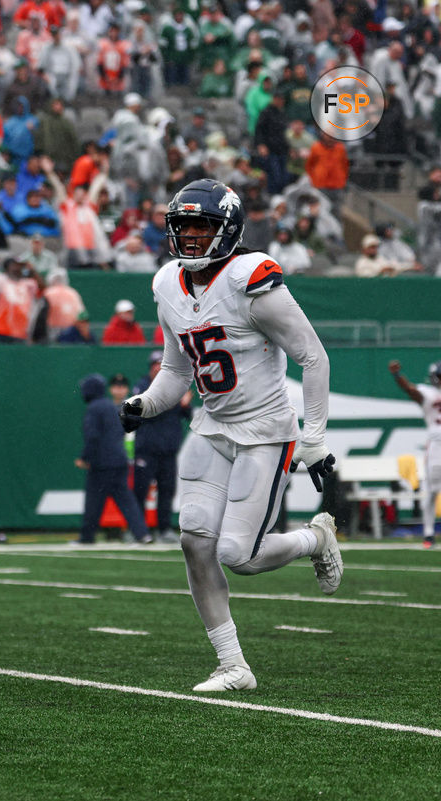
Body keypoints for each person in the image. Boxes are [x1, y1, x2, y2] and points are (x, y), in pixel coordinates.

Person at [119, 178, 341, 692]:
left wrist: (315, 439)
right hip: (212, 425)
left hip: (265, 430)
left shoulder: (252, 278)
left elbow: (313, 357)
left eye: (202, 225)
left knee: (238, 555)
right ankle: (233, 664)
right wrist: (145, 404)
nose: (191, 236)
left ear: (228, 229)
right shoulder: (167, 284)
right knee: (194, 539)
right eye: (183, 225)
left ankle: (315, 538)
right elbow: (177, 371)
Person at [76, 373, 151, 545]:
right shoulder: (110, 406)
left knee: (94, 501)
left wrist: (85, 458)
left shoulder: (94, 408)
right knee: (126, 500)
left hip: (102, 463)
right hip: (119, 460)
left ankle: (87, 537)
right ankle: (142, 534)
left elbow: (92, 436)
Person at [131, 351, 191, 544]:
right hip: (147, 448)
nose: (158, 368)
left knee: (167, 490)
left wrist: (183, 404)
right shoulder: (142, 386)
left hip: (168, 449)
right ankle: (138, 530)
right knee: (140, 490)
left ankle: (164, 528)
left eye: (161, 364)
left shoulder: (175, 385)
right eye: (155, 364)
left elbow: (186, 413)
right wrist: (177, 403)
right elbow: (148, 411)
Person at [388, 360, 441, 548]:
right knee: (433, 491)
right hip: (436, 444)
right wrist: (397, 376)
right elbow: (411, 390)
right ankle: (428, 534)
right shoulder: (428, 393)